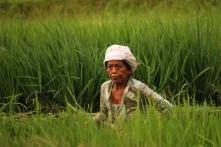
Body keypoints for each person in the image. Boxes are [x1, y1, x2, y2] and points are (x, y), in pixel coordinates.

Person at [93, 44, 173, 123]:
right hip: (112, 133)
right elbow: (103, 114)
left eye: (118, 67)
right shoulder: (105, 87)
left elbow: (167, 107)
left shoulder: (138, 87)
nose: (113, 71)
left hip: (135, 133)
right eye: (110, 67)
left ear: (129, 70)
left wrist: (157, 125)